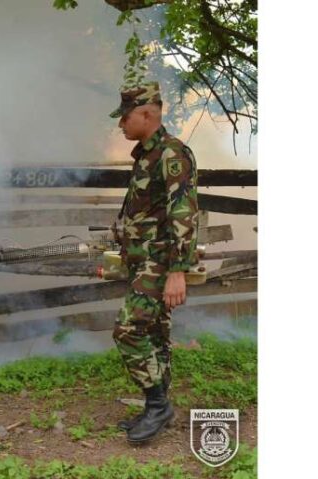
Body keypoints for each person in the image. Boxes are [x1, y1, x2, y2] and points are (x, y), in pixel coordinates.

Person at [109, 81, 199, 443]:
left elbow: (184, 214)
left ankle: (158, 405)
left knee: (128, 331)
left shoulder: (171, 155)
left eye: (125, 117)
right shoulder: (147, 154)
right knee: (155, 334)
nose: (120, 125)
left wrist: (178, 271)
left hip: (160, 265)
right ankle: (157, 407)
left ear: (147, 114)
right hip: (143, 262)